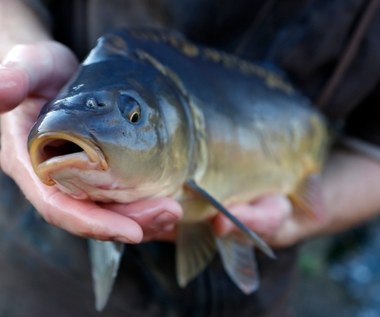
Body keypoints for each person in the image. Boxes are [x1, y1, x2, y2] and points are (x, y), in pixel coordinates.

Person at [1, 0, 380, 316]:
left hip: (253, 295)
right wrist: (13, 50)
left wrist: (308, 213)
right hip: (48, 263)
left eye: (133, 118)